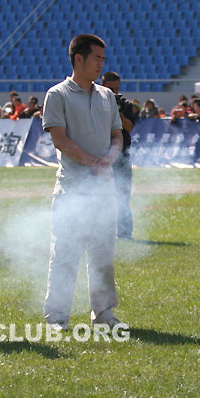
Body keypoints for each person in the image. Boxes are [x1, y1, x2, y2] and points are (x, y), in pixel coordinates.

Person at [42, 34, 127, 331]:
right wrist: (93, 162)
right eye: (96, 58)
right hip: (72, 188)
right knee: (65, 253)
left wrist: (111, 157)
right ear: (78, 58)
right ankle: (56, 316)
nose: (101, 64)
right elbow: (60, 139)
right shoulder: (57, 95)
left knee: (103, 254)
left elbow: (117, 135)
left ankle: (103, 313)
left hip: (104, 189)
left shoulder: (106, 96)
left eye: (103, 59)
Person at [101, 71, 137, 239]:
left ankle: (124, 232)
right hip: (100, 153)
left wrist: (118, 112)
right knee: (98, 195)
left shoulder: (125, 105)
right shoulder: (95, 104)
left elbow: (129, 127)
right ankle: (100, 230)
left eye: (116, 89)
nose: (114, 92)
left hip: (121, 155)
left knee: (123, 195)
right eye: (110, 89)